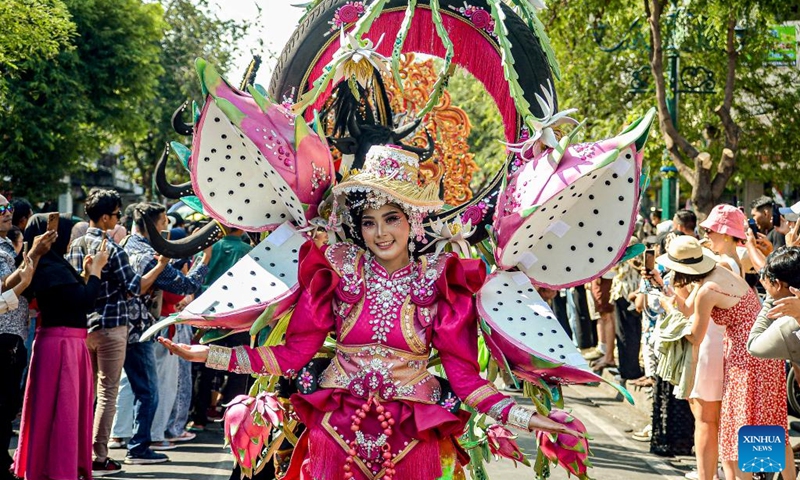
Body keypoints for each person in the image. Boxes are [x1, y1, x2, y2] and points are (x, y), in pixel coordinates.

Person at [159, 145, 581, 479]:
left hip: (413, 431)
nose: (380, 233)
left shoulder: (440, 281)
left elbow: (466, 379)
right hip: (337, 425)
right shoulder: (339, 272)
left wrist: (528, 418)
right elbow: (291, 356)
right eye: (369, 222)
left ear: (413, 222)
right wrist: (210, 355)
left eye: (392, 218)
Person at [657, 236, 792, 480]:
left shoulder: (707, 290)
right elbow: (691, 309)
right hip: (765, 349)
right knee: (767, 421)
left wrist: (668, 311)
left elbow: (694, 337)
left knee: (735, 430)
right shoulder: (719, 271)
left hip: (745, 356)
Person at [66, 188, 164, 475]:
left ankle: (77, 450)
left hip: (83, 328)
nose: (119, 219)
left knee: (87, 393)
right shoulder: (113, 250)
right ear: (106, 217)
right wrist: (160, 266)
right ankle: (98, 455)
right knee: (107, 393)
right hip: (112, 327)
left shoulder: (75, 245)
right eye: (118, 214)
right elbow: (137, 287)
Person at [12, 214, 109, 480]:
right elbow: (84, 301)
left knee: (52, 410)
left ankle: (45, 464)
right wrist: (96, 271)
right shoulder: (49, 267)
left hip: (61, 342)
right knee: (63, 412)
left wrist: (88, 274)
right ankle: (58, 468)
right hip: (63, 345)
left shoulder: (51, 265)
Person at [119, 202, 209, 462]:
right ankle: (139, 447)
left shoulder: (125, 245)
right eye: (163, 224)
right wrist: (204, 260)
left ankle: (117, 437)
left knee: (121, 388)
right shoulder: (148, 255)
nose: (166, 228)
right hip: (141, 328)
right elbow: (184, 285)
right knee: (148, 391)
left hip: (117, 326)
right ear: (152, 226)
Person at [0, 196, 56, 480]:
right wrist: (32, 257)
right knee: (4, 401)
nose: (7, 213)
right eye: (0, 209)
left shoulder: (6, 246)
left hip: (12, 333)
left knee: (8, 402)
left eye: (8, 207)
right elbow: (3, 288)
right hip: (3, 334)